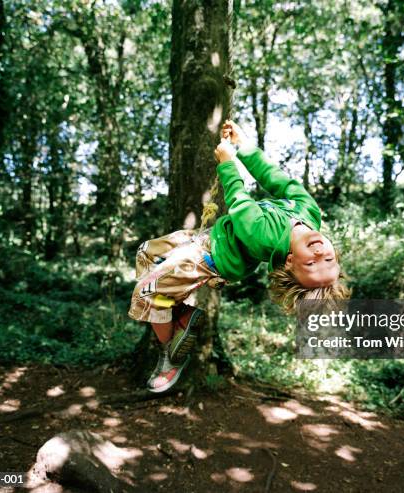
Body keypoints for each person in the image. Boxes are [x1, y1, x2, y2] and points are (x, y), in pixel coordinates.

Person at [128, 120, 350, 393]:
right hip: (210, 237)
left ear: (290, 261)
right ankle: (179, 312)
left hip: (209, 256)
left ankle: (170, 356)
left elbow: (239, 202)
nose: (319, 253)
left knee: (145, 293)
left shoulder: (265, 237)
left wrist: (227, 163)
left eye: (311, 263)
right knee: (145, 253)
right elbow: (274, 177)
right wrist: (242, 145)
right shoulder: (309, 212)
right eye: (328, 259)